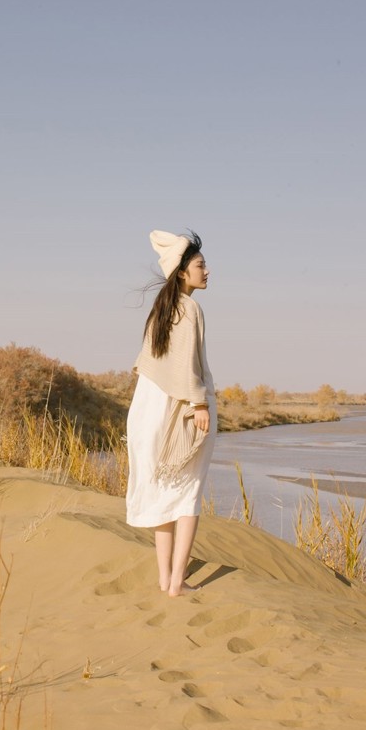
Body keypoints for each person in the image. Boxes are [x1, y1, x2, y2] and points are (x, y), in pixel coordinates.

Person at [126, 229, 217, 597]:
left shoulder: (161, 310)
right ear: (182, 271)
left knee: (164, 493)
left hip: (148, 413)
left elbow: (154, 365)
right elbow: (185, 366)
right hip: (179, 412)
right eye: (200, 265)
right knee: (188, 496)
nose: (207, 271)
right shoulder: (189, 308)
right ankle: (178, 582)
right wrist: (199, 405)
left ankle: (165, 578)